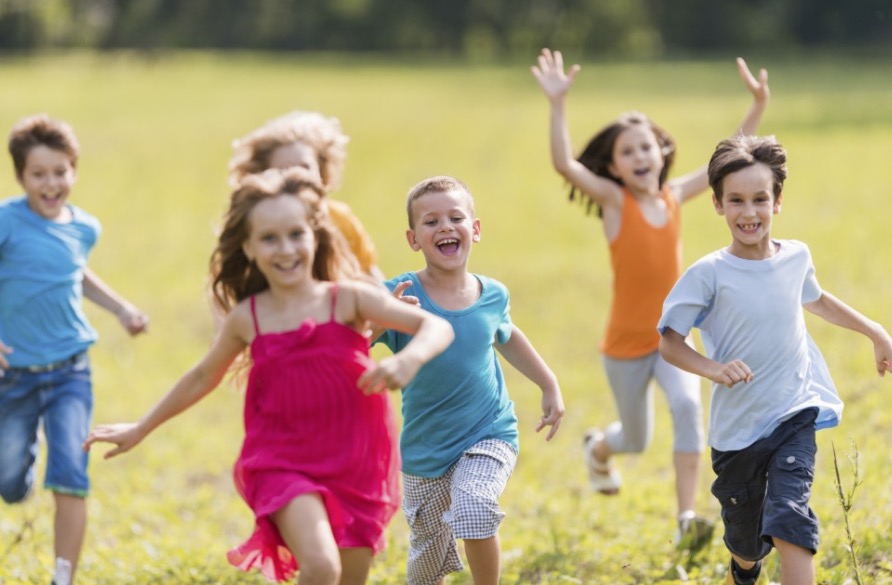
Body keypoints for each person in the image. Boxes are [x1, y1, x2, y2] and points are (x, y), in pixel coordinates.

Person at [83, 168, 454, 585]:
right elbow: (203, 375)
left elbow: (437, 327)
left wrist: (408, 360)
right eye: (269, 238)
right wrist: (141, 426)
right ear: (249, 247)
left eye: (296, 234)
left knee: (348, 577)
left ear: (315, 235)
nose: (286, 249)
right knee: (321, 567)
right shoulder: (249, 318)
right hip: (282, 458)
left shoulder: (349, 299)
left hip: (357, 455)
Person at [531, 47, 770, 545]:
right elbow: (562, 165)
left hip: (672, 337)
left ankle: (687, 518)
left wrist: (756, 107)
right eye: (627, 152)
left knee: (687, 409)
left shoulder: (673, 196)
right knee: (634, 439)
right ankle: (599, 448)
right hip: (623, 345)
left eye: (646, 147)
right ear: (614, 167)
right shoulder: (616, 202)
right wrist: (557, 104)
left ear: (662, 150)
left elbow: (727, 158)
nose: (640, 157)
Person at [657, 135, 892, 585]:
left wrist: (875, 331)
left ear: (777, 201)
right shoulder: (709, 274)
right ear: (718, 205)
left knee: (789, 518)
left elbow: (818, 300)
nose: (749, 212)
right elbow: (670, 341)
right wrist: (714, 368)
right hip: (738, 436)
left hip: (793, 415)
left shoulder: (796, 257)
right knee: (747, 545)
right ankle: (743, 570)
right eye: (737, 201)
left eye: (760, 199)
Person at [374, 175, 565, 585]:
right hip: (425, 450)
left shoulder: (492, 294)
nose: (444, 227)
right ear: (413, 239)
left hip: (488, 433)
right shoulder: (400, 294)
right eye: (430, 222)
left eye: (455, 217)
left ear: (474, 230)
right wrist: (382, 316)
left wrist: (548, 384)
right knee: (426, 559)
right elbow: (356, 340)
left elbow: (508, 338)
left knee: (475, 506)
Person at [0, 114, 149, 585]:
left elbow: (77, 274)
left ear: (74, 171)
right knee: (7, 482)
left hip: (70, 372)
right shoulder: (6, 222)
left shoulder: (84, 227)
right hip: (13, 375)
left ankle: (63, 578)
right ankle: (23, 455)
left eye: (60, 171)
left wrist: (122, 308)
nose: (51, 183)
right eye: (38, 174)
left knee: (70, 472)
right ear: (21, 176)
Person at [229, 110, 384, 281]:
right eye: (282, 171)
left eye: (304, 168)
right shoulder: (258, 223)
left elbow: (370, 273)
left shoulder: (340, 218)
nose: (297, 178)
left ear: (322, 171)